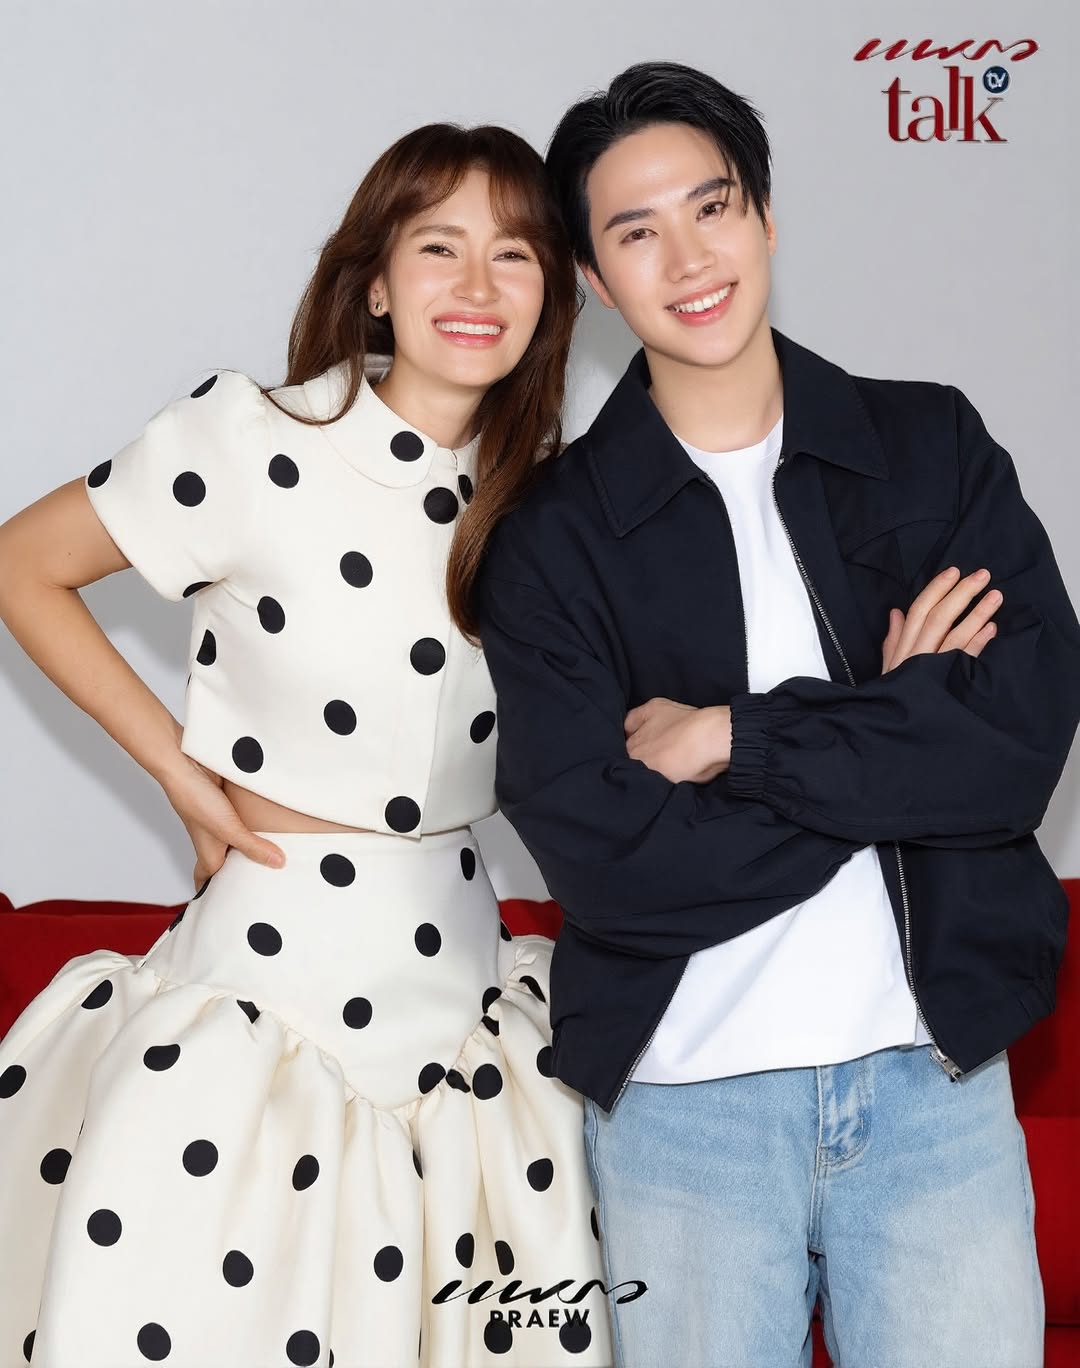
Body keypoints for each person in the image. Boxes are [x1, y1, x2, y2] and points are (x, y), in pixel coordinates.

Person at [475, 61, 1080, 1368]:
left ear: (764, 217)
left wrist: (732, 740)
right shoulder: (550, 540)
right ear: (593, 279)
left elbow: (1015, 751)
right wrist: (895, 727)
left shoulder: (930, 448)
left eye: (713, 207)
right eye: (638, 232)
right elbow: (614, 865)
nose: (689, 258)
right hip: (685, 1115)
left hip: (935, 1087)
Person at [0, 123, 613, 1368]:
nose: (478, 284)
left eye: (515, 252)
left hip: (466, 1004)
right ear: (374, 281)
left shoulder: (555, 500)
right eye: (438, 246)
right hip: (263, 1005)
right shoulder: (251, 439)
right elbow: (23, 564)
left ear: (554, 293)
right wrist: (178, 769)